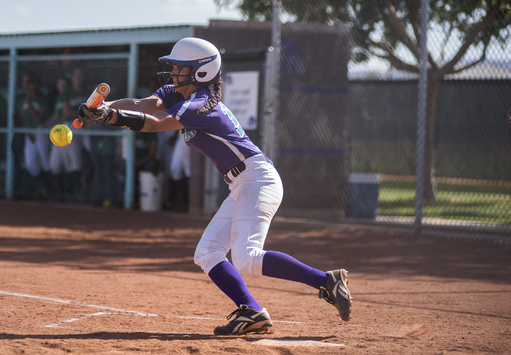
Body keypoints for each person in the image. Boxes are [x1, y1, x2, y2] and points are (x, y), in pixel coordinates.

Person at [77, 37, 352, 335]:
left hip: (257, 179)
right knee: (208, 252)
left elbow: (155, 124)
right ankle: (252, 312)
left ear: (201, 72)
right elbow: (143, 105)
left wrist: (111, 115)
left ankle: (327, 281)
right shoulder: (181, 94)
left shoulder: (201, 105)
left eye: (180, 69)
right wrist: (102, 108)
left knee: (247, 257)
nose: (173, 74)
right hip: (242, 183)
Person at [47, 75, 83, 201]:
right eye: (60, 85)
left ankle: (71, 193)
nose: (62, 87)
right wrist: (46, 124)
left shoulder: (72, 96)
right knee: (54, 165)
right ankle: (61, 192)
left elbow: (67, 114)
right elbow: (57, 115)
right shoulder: (59, 98)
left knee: (72, 163)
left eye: (64, 85)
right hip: (59, 132)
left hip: (69, 129)